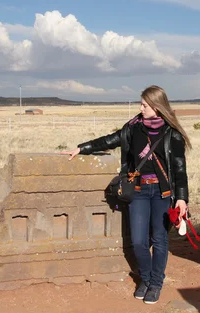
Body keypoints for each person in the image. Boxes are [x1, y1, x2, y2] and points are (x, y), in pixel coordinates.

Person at [61, 85, 191, 304]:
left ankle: (156, 283)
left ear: (157, 108)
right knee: (139, 241)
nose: (140, 109)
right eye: (141, 104)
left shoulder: (172, 134)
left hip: (162, 192)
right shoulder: (133, 128)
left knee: (159, 239)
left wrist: (181, 198)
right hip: (138, 191)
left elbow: (179, 168)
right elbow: (110, 140)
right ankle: (146, 279)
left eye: (144, 105)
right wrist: (82, 148)